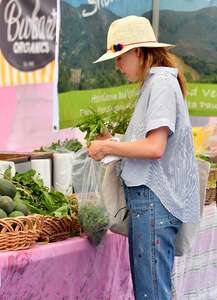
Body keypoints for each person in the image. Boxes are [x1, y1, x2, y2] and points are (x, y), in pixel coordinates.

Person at [88, 15, 200, 300]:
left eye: (120, 57)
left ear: (138, 52)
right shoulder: (156, 83)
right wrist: (114, 143)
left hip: (154, 205)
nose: (117, 66)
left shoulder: (161, 84)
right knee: (153, 289)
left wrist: (109, 149)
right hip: (152, 206)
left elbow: (154, 148)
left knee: (151, 293)